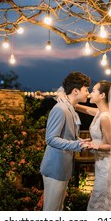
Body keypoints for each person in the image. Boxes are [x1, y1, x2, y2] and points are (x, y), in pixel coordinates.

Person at [74, 80, 111, 211]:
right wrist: (72, 103)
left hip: (108, 166)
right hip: (102, 164)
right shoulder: (99, 113)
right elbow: (84, 109)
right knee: (108, 199)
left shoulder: (105, 118)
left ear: (102, 96)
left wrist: (93, 146)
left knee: (103, 200)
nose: (91, 93)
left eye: (94, 90)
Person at [40, 71, 90, 211]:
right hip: (55, 168)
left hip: (62, 168)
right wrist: (76, 144)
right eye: (86, 90)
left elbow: (67, 136)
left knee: (58, 209)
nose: (88, 93)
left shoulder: (70, 109)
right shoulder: (61, 109)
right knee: (52, 211)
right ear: (75, 91)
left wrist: (80, 141)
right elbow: (50, 139)